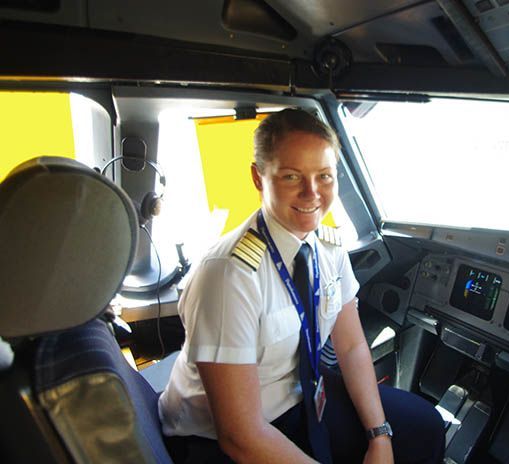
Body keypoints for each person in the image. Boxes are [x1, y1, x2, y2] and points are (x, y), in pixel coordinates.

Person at [158, 108, 445, 463]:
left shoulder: (327, 246)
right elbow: (240, 435)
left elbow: (352, 345)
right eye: (292, 177)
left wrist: (379, 435)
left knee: (424, 429)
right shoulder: (229, 276)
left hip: (302, 396)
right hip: (215, 436)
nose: (313, 193)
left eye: (324, 176)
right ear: (258, 178)